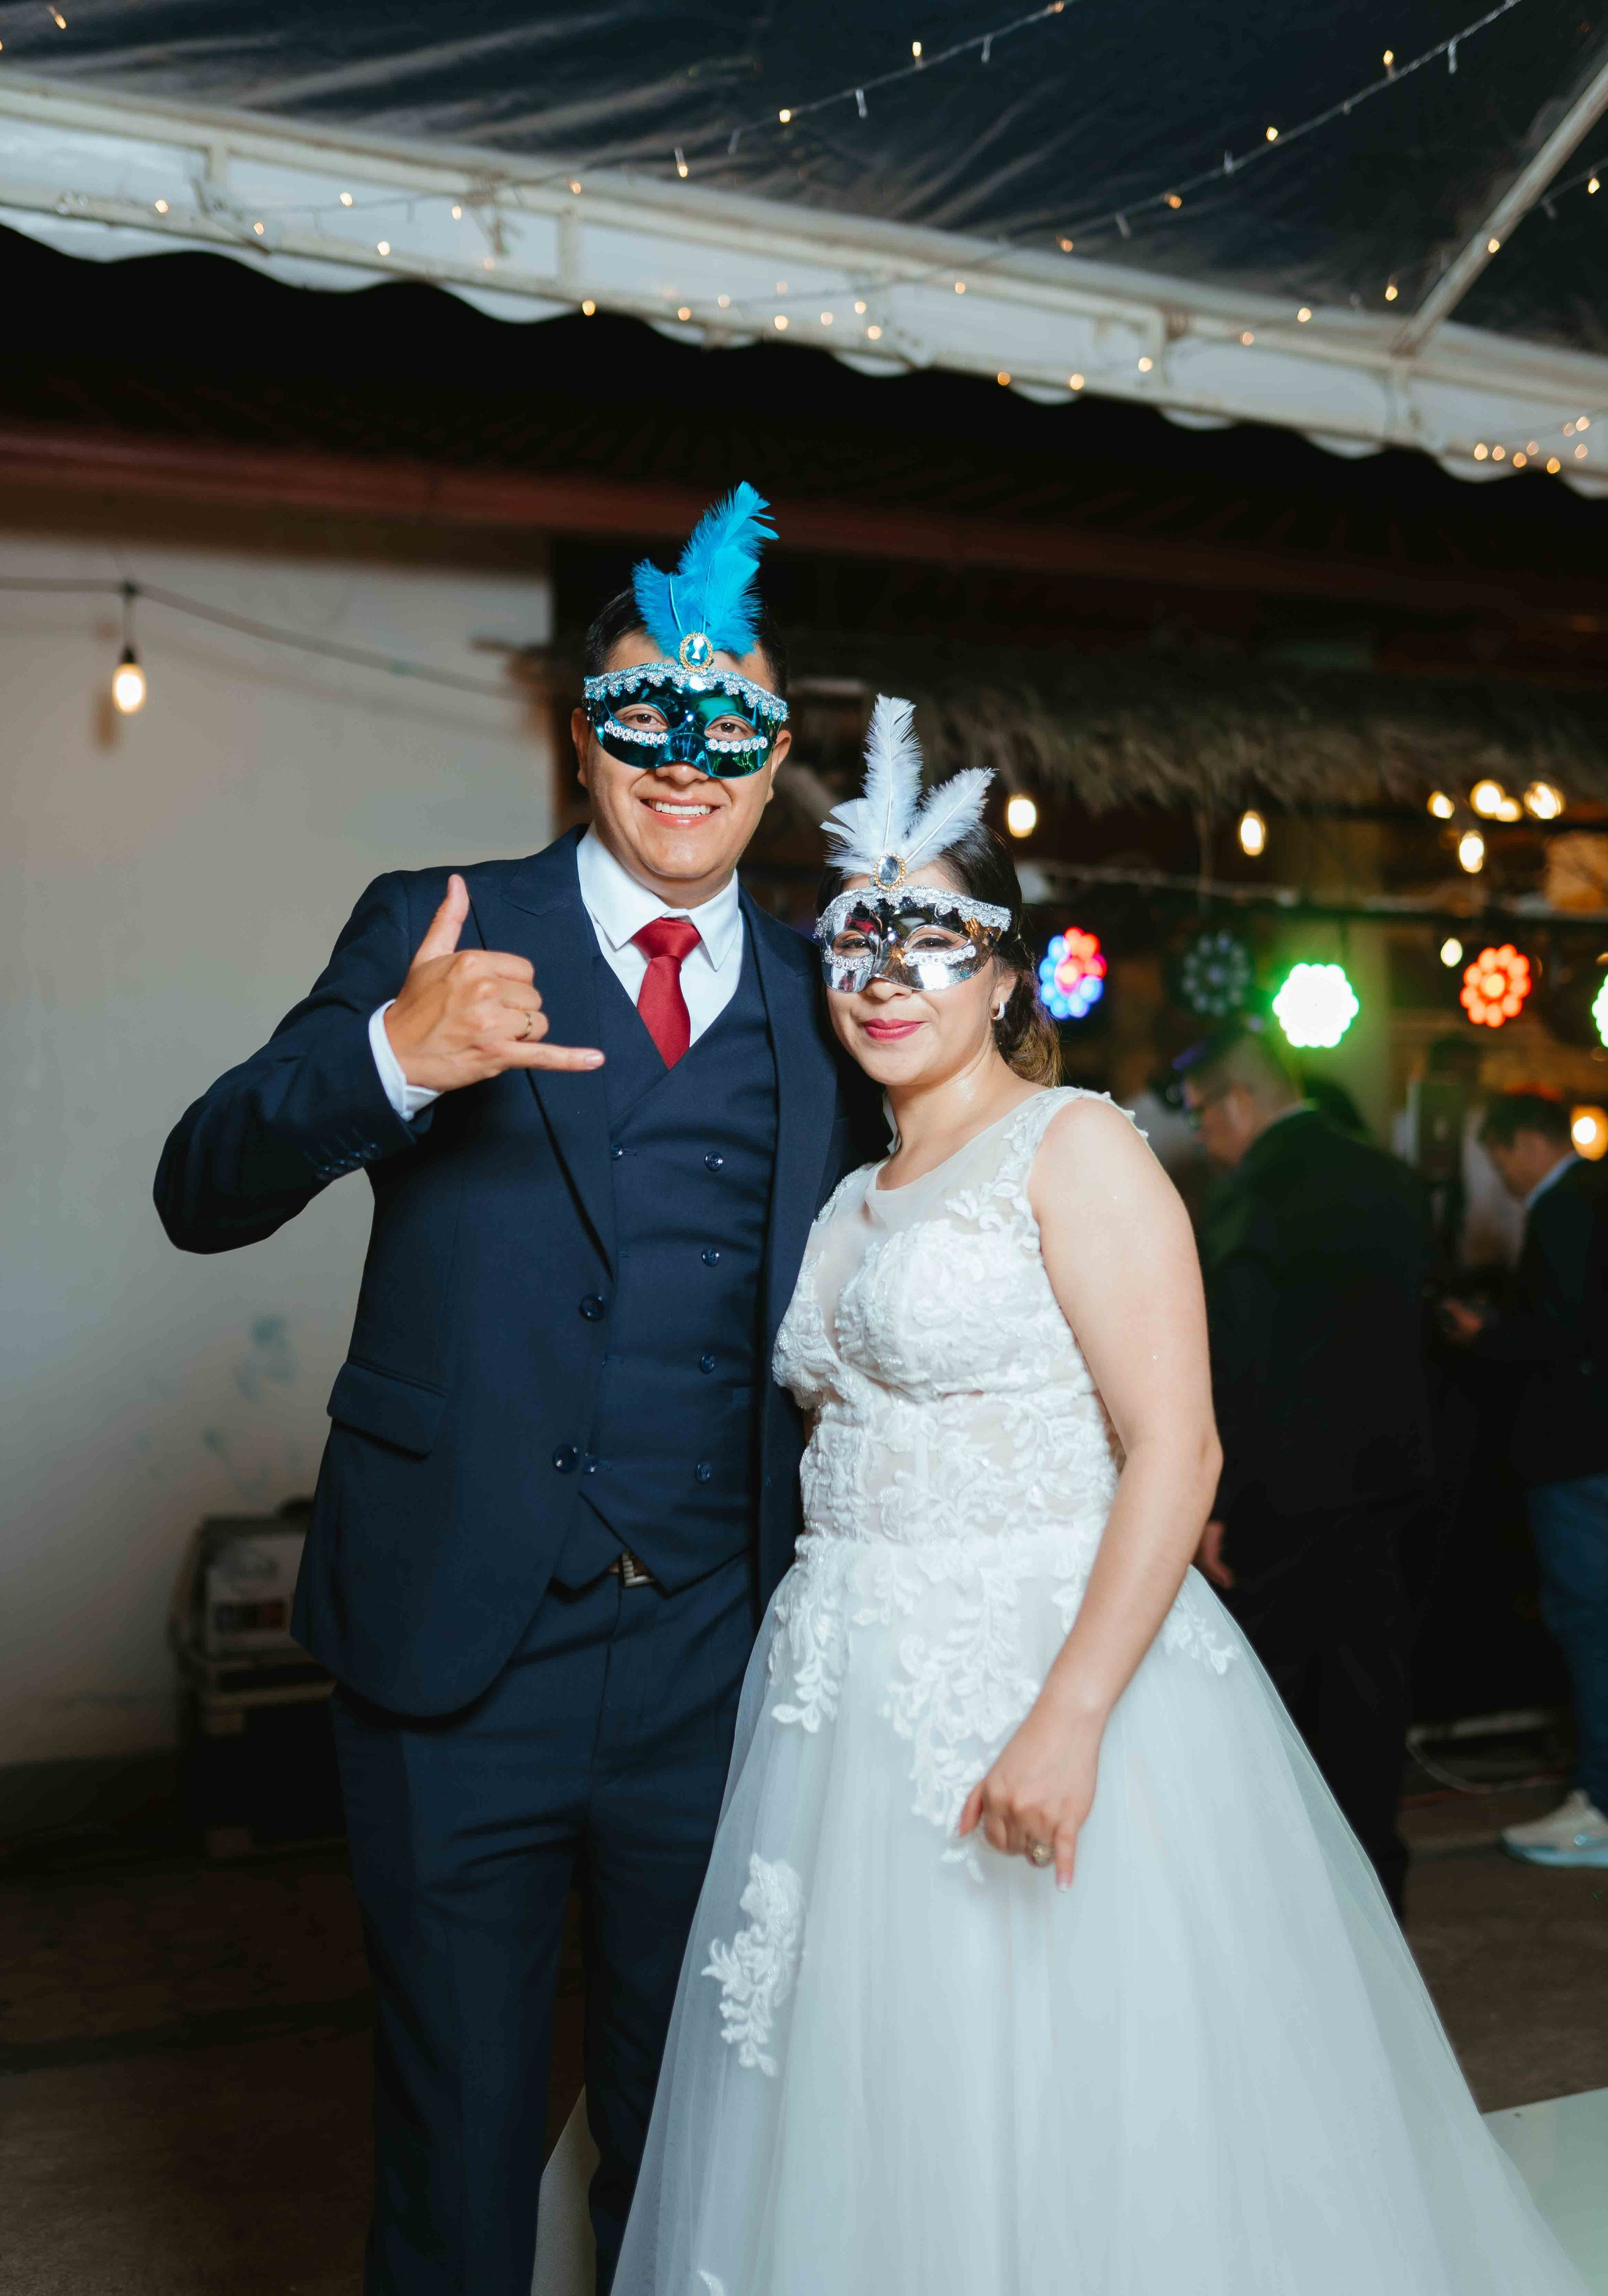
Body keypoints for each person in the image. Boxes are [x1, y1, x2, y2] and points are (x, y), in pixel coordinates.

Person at [611, 701, 1587, 2296]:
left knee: (1071, 2083)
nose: (884, 972)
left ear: (1003, 973)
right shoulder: (849, 1192)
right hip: (841, 1694)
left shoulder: (1072, 1148)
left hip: (1045, 1666)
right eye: (858, 934)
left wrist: (1066, 1716)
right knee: (876, 2090)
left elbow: (1177, 1450)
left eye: (932, 938)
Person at [154, 487, 879, 2296]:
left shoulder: (823, 993)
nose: (689, 759)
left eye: (734, 726)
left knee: (688, 2131)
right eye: (649, 717)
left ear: (778, 757)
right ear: (584, 739)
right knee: (458, 2135)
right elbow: (201, 1184)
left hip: (718, 1659)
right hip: (451, 1634)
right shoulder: (431, 920)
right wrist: (391, 1061)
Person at [1179, 1026, 1431, 1914]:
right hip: (1391, 1480)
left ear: (1238, 1101)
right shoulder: (1390, 1176)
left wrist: (1219, 1499)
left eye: (1202, 1115)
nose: (1203, 1134)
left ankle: (1294, 1913)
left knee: (1275, 1711)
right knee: (1371, 1703)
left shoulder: (1254, 1195)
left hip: (1284, 1493)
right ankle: (1377, 1901)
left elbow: (1242, 1364)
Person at [1444, 1091, 1608, 1868]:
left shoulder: (1560, 1209)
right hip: (1591, 1449)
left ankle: (1600, 1803)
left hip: (1575, 1453)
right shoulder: (1592, 1195)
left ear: (1525, 1145)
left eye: (1499, 1156)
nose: (1501, 1174)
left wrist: (1486, 1334)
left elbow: (1561, 1329)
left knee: (1588, 1623)